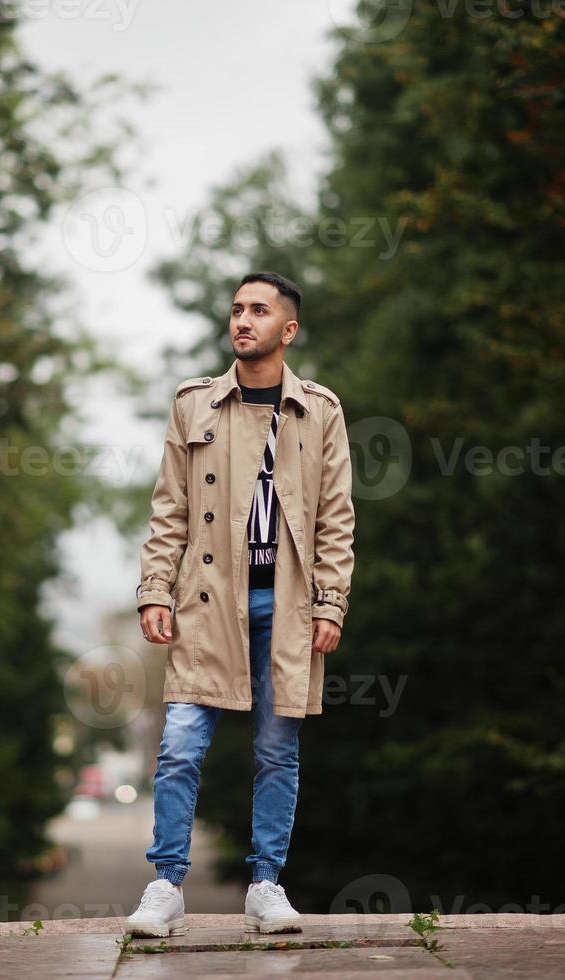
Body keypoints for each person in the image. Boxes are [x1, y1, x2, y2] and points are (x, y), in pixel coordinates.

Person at [126, 271, 356, 937]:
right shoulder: (192, 403)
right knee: (177, 746)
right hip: (204, 600)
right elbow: (168, 508)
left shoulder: (320, 410)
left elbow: (336, 519)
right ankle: (165, 884)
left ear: (288, 329)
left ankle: (265, 884)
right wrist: (153, 590)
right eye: (235, 309)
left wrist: (330, 604)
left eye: (258, 310)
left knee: (276, 748)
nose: (241, 320)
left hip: (285, 604)